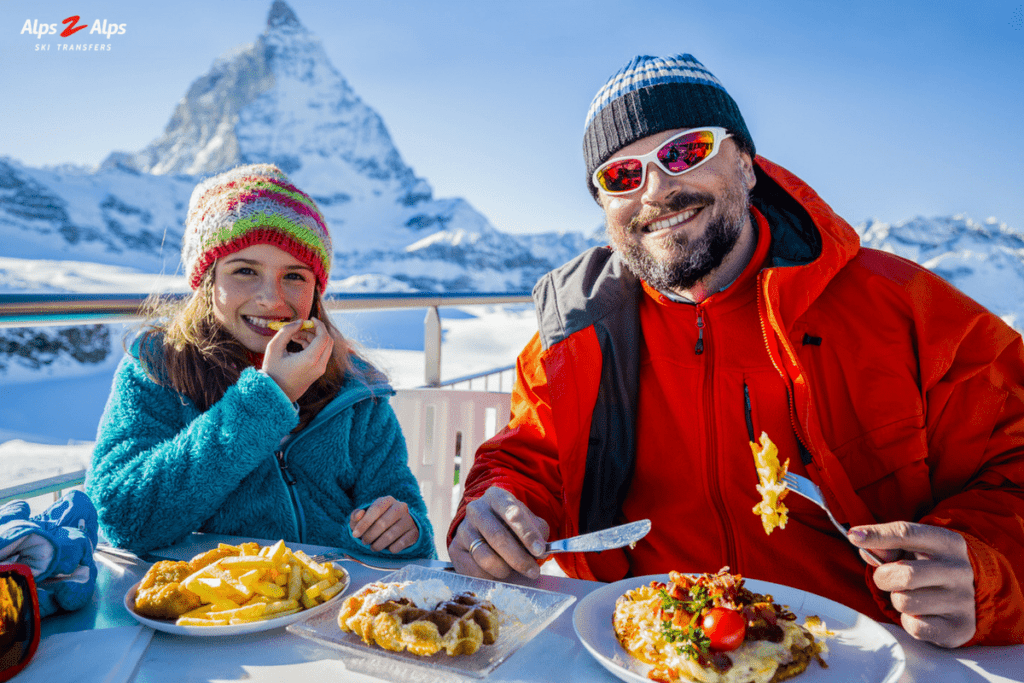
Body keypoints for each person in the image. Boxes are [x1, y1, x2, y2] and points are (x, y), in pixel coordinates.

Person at [447, 54, 1024, 648]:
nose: (658, 190)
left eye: (685, 151)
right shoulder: (572, 336)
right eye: (622, 176)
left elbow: (1015, 461)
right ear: (604, 207)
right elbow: (527, 462)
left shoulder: (906, 309)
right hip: (643, 645)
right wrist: (496, 514)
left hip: (865, 652)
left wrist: (988, 572)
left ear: (747, 165)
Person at [88, 163, 435, 559]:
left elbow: (406, 517)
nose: (271, 299)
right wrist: (269, 398)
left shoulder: (357, 390)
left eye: (294, 277)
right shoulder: (157, 370)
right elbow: (121, 517)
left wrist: (405, 531)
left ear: (316, 292)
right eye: (245, 271)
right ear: (207, 281)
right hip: (204, 611)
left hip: (330, 609)